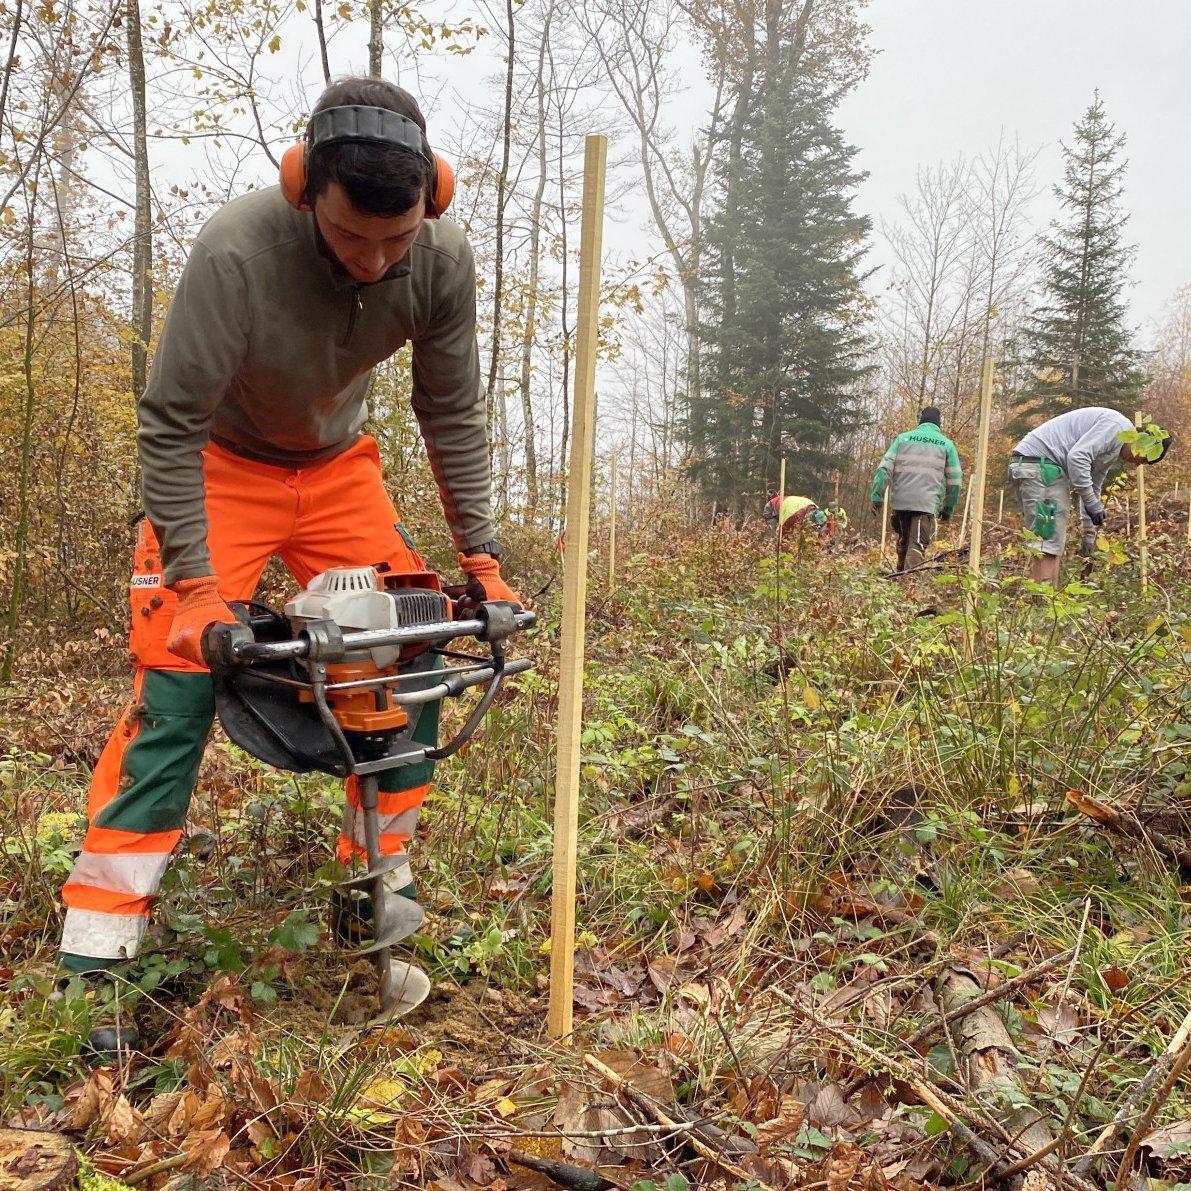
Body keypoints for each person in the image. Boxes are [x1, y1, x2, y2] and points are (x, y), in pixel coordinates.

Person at [57, 78, 519, 1025]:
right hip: (220, 467)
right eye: (355, 238)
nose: (376, 260)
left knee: (410, 650)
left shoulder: (439, 257)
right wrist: (190, 585)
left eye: (397, 241)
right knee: (178, 677)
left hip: (337, 470)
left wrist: (481, 556)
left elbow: (452, 412)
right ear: (305, 187)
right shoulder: (238, 253)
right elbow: (171, 425)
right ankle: (97, 954)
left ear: (431, 196)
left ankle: (371, 897)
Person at [1009, 407, 1172, 586]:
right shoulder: (1116, 427)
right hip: (1041, 466)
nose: (1135, 463)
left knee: (1052, 539)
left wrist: (1088, 530)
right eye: (1140, 459)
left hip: (1038, 466)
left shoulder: (1114, 444)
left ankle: (1049, 600)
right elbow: (1077, 457)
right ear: (1142, 444)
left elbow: (1093, 484)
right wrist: (1090, 501)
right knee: (1047, 539)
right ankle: (1040, 604)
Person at [871, 407, 963, 574]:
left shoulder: (902, 439)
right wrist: (948, 508)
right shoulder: (946, 445)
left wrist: (877, 496)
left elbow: (883, 470)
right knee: (917, 544)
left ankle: (899, 580)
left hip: (901, 503)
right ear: (938, 423)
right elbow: (955, 481)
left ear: (921, 421)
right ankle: (909, 587)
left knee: (904, 541)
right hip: (926, 504)